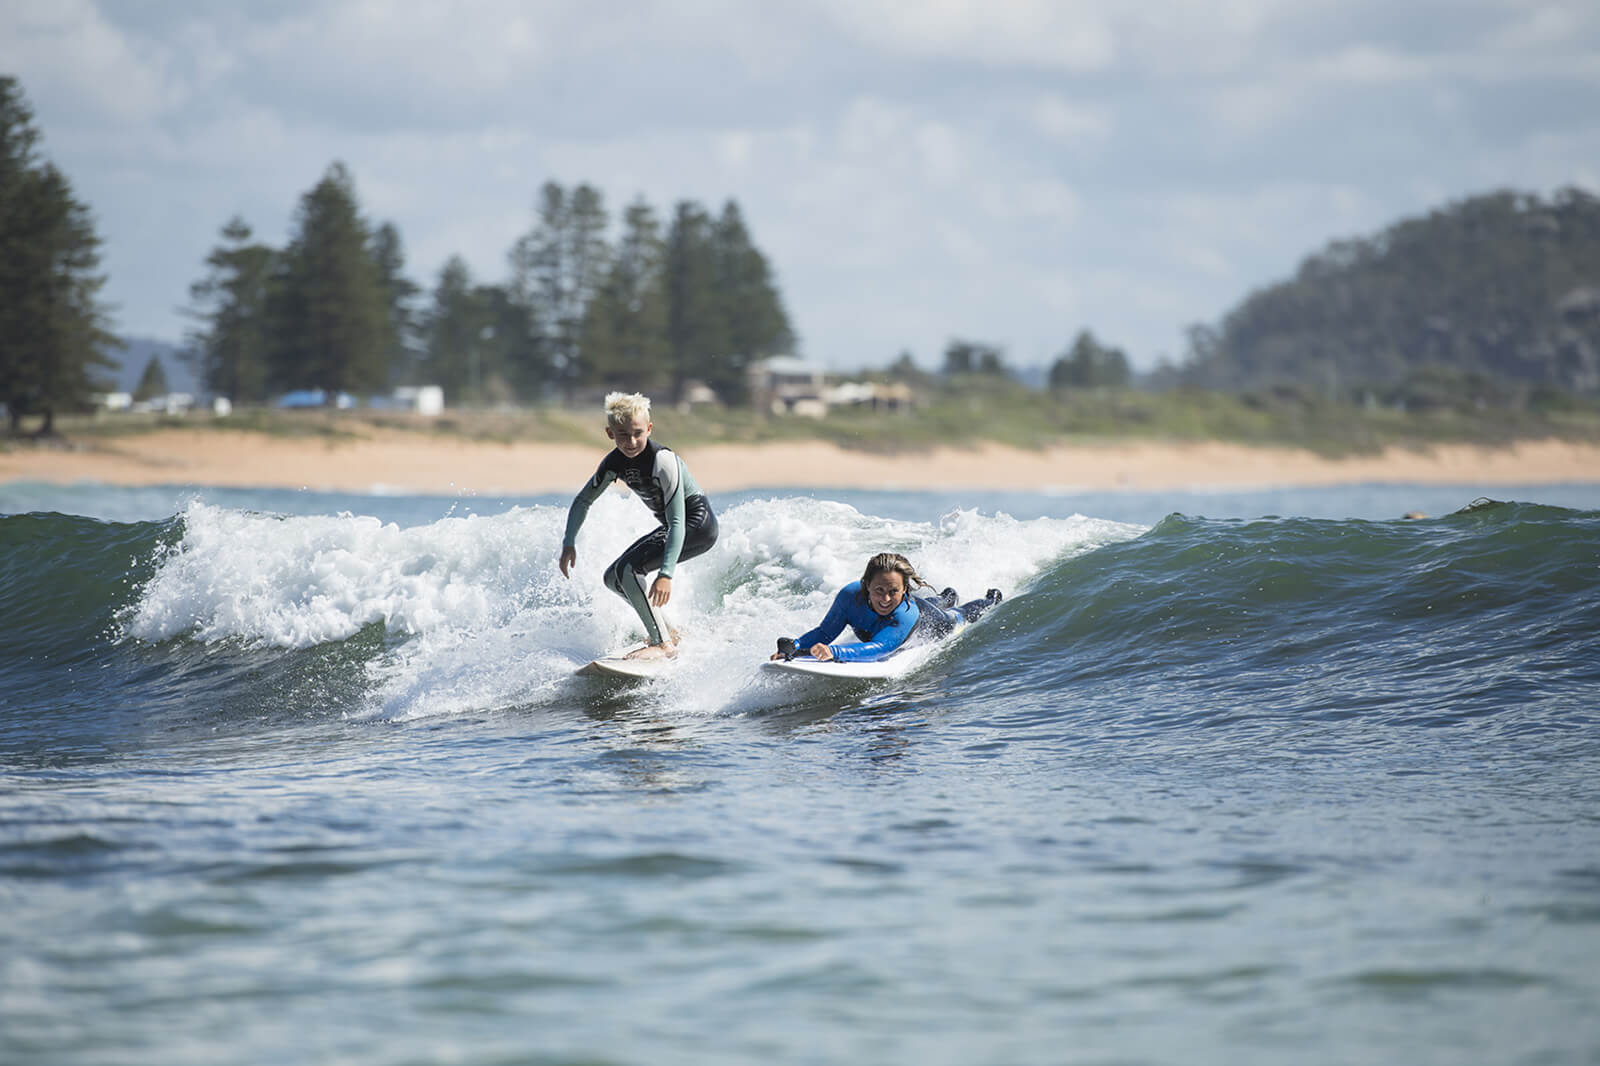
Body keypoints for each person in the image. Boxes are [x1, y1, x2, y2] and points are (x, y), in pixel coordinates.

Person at [560, 392, 719, 660]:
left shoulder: (662, 460)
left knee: (628, 570)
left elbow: (678, 521)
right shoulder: (614, 463)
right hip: (674, 527)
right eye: (622, 435)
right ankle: (669, 632)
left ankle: (662, 643)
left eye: (637, 433)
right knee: (613, 578)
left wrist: (666, 574)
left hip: (697, 525)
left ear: (649, 428)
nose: (631, 441)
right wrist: (568, 543)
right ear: (610, 433)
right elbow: (583, 500)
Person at [771, 551, 1001, 663]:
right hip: (914, 606)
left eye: (893, 591)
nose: (885, 599)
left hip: (932, 619)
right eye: (879, 590)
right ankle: (947, 595)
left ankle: (988, 599)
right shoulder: (850, 596)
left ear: (905, 590)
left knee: (955, 615)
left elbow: (881, 647)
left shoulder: (905, 615)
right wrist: (795, 647)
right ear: (866, 585)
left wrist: (835, 652)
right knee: (937, 602)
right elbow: (824, 633)